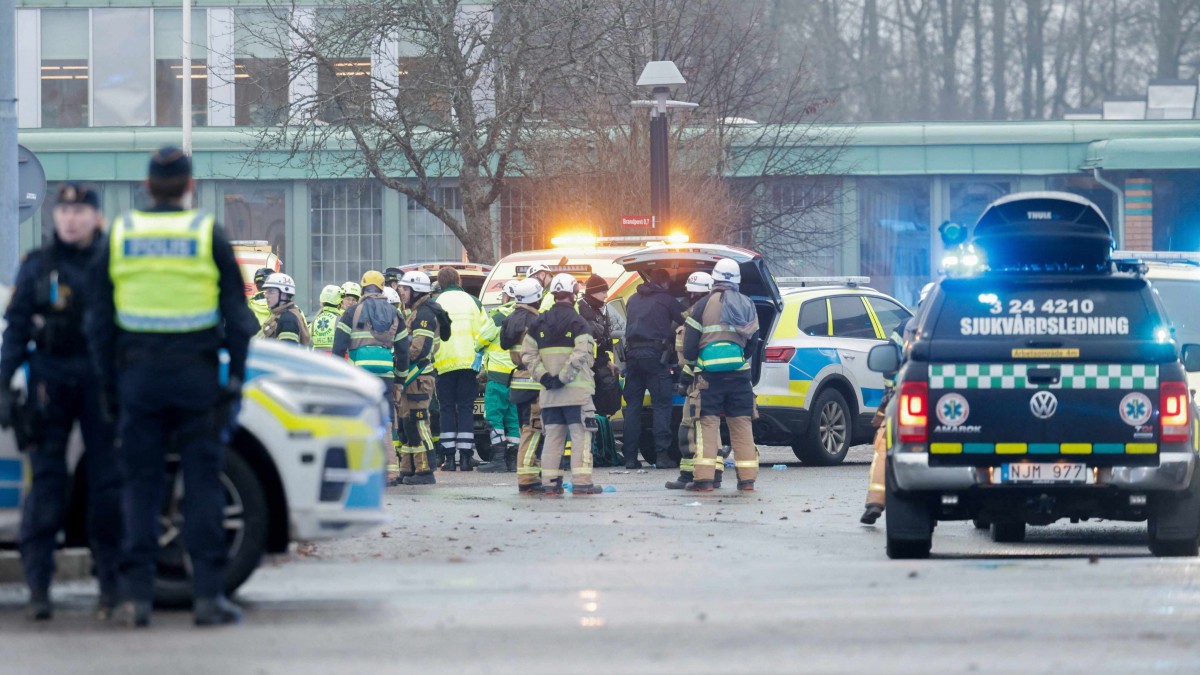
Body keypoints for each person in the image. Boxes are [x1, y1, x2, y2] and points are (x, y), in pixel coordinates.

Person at [87, 146, 259, 627]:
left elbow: (99, 321)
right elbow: (239, 320)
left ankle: (137, 598)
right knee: (203, 484)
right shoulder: (208, 234)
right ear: (189, 187)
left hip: (138, 378)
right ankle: (206, 597)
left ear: (145, 186)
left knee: (141, 486)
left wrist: (108, 386)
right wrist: (236, 381)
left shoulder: (121, 234)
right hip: (196, 378)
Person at [0, 183, 122, 622]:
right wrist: (2, 383)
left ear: (95, 216)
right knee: (47, 489)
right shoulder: (38, 266)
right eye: (64, 210)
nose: (71, 218)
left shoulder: (113, 264)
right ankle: (39, 589)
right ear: (55, 218)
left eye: (80, 210)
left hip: (100, 385)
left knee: (108, 490)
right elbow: (15, 330)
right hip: (48, 384)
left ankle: (110, 587)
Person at [680, 258, 761, 492]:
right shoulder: (747, 303)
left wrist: (692, 369)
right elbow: (754, 341)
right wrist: (739, 359)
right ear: (737, 280)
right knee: (742, 426)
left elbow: (689, 345)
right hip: (739, 376)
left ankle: (704, 480)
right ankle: (747, 481)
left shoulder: (702, 305)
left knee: (707, 425)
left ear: (714, 278)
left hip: (709, 378)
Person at [520, 273, 602, 496]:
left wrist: (544, 377)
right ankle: (582, 482)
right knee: (581, 437)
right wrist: (563, 377)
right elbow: (581, 354)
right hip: (576, 395)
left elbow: (527, 354)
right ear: (573, 294)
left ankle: (550, 483)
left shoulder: (539, 322)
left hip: (550, 395)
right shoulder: (578, 322)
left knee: (553, 439)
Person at [861, 281, 933, 525]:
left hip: (907, 401)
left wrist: (891, 393)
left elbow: (889, 363)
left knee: (884, 446)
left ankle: (875, 501)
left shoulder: (906, 328)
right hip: (954, 405)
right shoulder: (960, 324)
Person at [665, 272, 727, 491]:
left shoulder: (696, 316)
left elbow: (691, 352)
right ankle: (712, 473)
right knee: (707, 429)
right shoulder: (714, 314)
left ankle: (690, 474)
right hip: (706, 379)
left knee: (690, 428)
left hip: (697, 380)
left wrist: (685, 378)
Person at [621, 268, 684, 469]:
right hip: (655, 358)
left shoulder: (632, 299)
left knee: (633, 408)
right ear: (665, 284)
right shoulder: (666, 299)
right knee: (662, 406)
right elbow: (687, 321)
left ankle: (630, 457)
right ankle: (662, 455)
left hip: (632, 357)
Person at [432, 267, 486, 472]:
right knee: (465, 409)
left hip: (444, 364)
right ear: (459, 280)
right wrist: (480, 363)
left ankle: (448, 459)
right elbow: (485, 333)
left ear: (441, 283)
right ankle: (465, 458)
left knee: (446, 409)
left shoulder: (436, 303)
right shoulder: (473, 302)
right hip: (468, 365)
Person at [395, 270, 442, 485]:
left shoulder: (423, 315)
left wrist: (399, 358)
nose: (401, 292)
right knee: (407, 423)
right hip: (412, 377)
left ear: (416, 291)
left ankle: (425, 471)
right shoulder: (415, 312)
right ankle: (409, 468)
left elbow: (418, 349)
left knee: (418, 422)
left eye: (404, 289)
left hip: (419, 377)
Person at [502, 279, 546, 493]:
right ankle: (528, 477)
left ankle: (532, 473)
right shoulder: (537, 321)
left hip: (518, 380)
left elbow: (504, 344)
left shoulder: (509, 319)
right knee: (533, 430)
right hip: (535, 380)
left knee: (525, 428)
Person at [475, 280, 520, 473]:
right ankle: (513, 459)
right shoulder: (525, 316)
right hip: (518, 377)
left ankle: (499, 459)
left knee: (493, 417)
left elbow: (482, 338)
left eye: (503, 295)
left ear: (508, 296)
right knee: (512, 418)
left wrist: (478, 349)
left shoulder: (499, 316)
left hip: (498, 376)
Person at [258, 273, 311, 347]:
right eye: (266, 292)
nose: (266, 296)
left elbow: (287, 352)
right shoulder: (279, 316)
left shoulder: (287, 320)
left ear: (283, 294)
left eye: (270, 292)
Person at [309, 284, 344, 353]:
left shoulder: (314, 321)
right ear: (339, 301)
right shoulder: (341, 320)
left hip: (317, 359)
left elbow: (308, 340)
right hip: (335, 360)